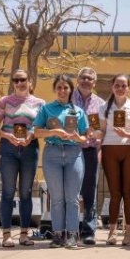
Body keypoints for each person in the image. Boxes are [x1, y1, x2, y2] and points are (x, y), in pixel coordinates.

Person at [0, 69, 45, 247]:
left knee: (26, 193)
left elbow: (41, 128)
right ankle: (6, 235)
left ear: (30, 81)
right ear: (13, 82)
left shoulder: (40, 103)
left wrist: (32, 135)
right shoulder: (4, 102)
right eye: (16, 80)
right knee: (7, 192)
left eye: (23, 79)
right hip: (8, 149)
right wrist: (7, 137)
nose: (20, 83)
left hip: (30, 149)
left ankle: (24, 234)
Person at [33, 74, 88, 249]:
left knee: (72, 198)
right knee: (56, 197)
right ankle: (58, 235)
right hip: (52, 154)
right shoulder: (46, 109)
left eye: (66, 87)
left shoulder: (78, 111)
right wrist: (53, 132)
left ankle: (72, 234)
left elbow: (86, 136)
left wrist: (79, 137)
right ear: (55, 90)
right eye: (59, 88)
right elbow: (37, 132)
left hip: (73, 154)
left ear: (71, 89)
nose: (63, 91)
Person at [97, 74, 130, 246]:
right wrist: (90, 135)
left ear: (128, 88)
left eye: (124, 85)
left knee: (128, 192)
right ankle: (112, 231)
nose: (120, 88)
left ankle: (129, 231)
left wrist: (126, 134)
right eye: (117, 85)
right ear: (112, 87)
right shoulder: (104, 107)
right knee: (114, 193)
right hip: (110, 150)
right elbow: (101, 131)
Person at [72, 67, 105, 245]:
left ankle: (88, 230)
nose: (86, 81)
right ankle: (72, 228)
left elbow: (102, 130)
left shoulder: (101, 104)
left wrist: (99, 151)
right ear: (78, 80)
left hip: (91, 151)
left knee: (90, 191)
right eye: (83, 78)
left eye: (90, 79)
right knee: (72, 191)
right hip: (71, 150)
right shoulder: (68, 99)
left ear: (94, 83)